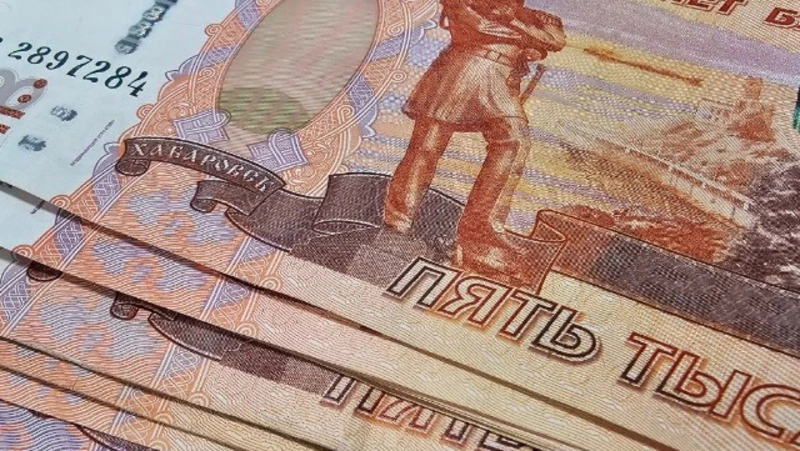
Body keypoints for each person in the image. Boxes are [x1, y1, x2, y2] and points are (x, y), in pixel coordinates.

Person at [383, 0, 566, 270]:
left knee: (515, 142)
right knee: (426, 147)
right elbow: (479, 26)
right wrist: (525, 36)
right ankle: (397, 223)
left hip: (502, 80)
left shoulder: (531, 15)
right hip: (463, 69)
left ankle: (481, 230)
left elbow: (555, 40)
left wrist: (512, 20)